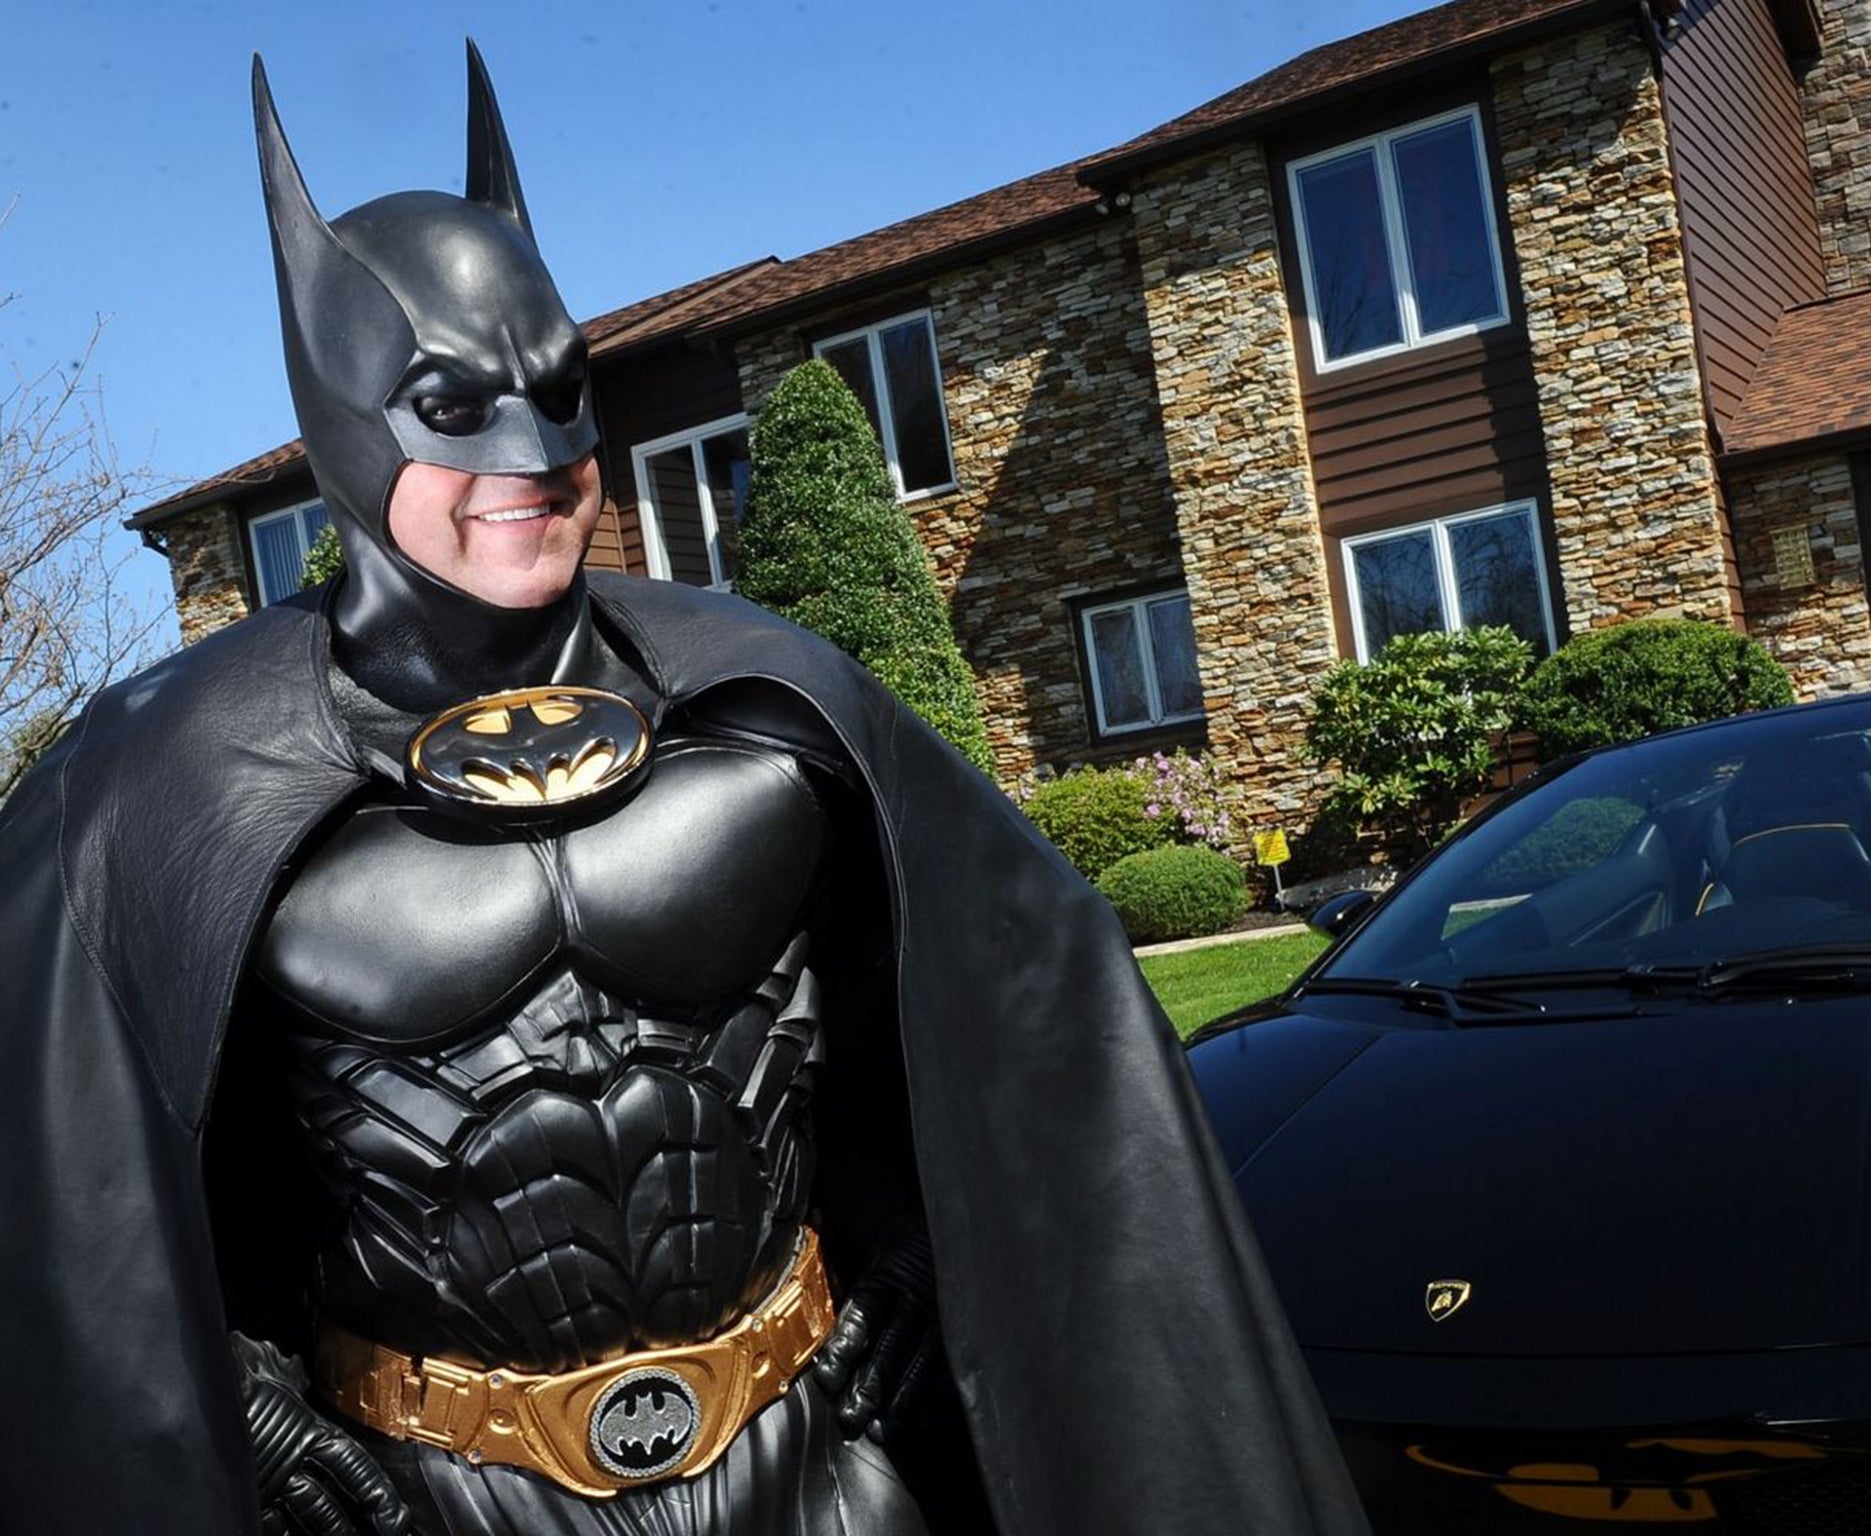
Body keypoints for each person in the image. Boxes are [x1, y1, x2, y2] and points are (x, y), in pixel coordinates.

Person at [0, 45, 1371, 1536]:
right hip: (444, 1488)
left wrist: (918, 1248)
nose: (532, 455)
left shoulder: (771, 697)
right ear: (343, 420)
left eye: (561, 391)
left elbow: (1027, 1029)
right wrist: (241, 1403)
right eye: (453, 408)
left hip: (817, 1451)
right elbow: (55, 1183)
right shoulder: (164, 779)